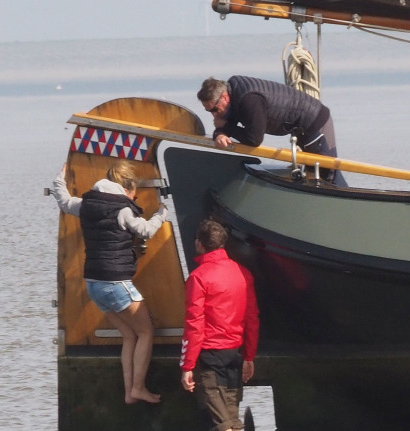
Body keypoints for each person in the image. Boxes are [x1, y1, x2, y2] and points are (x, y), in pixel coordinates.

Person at [53, 160, 168, 404]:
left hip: (93, 283)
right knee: (146, 331)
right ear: (126, 188)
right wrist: (161, 214)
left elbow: (64, 201)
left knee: (129, 335)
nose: (134, 198)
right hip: (115, 282)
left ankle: (129, 393)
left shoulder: (86, 204)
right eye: (134, 193)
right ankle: (138, 387)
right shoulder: (122, 209)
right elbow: (145, 231)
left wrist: (59, 180)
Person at [180, 219, 260, 431]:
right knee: (232, 420)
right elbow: (252, 317)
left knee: (222, 423)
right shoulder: (243, 273)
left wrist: (187, 366)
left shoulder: (198, 277)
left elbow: (194, 324)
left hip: (211, 355)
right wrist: (249, 356)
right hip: (235, 353)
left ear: (199, 244)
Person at [197, 75, 347, 186]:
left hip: (315, 121)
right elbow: (228, 122)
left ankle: (349, 205)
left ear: (224, 97)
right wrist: (219, 134)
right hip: (300, 128)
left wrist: (225, 127)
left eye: (214, 109)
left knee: (328, 172)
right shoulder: (233, 94)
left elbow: (254, 139)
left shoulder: (249, 100)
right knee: (313, 173)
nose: (213, 115)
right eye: (208, 111)